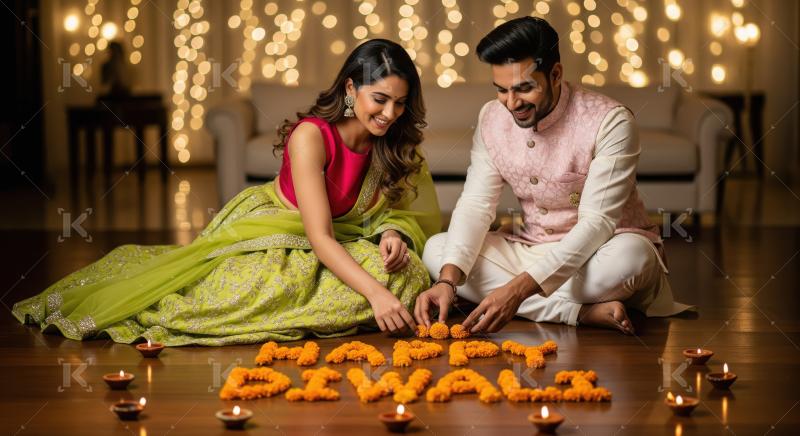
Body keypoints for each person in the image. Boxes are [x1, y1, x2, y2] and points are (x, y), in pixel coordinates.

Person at [13, 39, 440, 346]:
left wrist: (393, 236)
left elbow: (404, 212)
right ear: (350, 89)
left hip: (346, 242)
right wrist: (376, 293)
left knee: (411, 275)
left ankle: (321, 306)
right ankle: (307, 308)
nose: (390, 114)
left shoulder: (393, 141)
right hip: (279, 234)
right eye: (380, 100)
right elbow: (320, 236)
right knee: (255, 292)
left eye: (400, 104)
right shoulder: (312, 137)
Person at [415, 17, 691, 335]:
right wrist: (448, 281)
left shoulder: (610, 121)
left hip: (602, 251)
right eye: (501, 90)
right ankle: (577, 313)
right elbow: (477, 204)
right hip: (530, 248)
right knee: (438, 250)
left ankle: (524, 299)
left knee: (633, 259)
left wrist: (516, 291)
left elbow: (596, 224)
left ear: (555, 74)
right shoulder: (492, 116)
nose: (511, 103)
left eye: (524, 88)